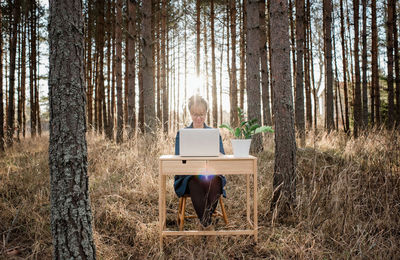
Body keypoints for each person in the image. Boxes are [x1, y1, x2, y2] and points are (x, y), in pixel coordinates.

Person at [174, 94, 226, 228]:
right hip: (189, 176)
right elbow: (178, 159)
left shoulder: (214, 133)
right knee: (194, 181)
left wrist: (217, 154)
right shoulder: (182, 133)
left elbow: (222, 157)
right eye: (195, 114)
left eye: (201, 114)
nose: (198, 118)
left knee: (215, 180)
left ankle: (205, 224)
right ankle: (207, 224)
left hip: (210, 173)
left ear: (206, 114)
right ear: (190, 114)